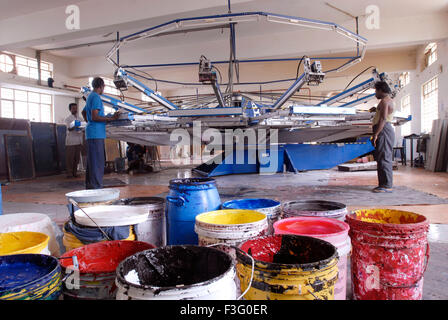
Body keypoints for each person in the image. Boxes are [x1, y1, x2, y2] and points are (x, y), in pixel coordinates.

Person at [82, 77, 119, 189]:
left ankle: (90, 185)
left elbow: (83, 112)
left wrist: (89, 123)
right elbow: (95, 116)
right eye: (104, 87)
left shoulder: (90, 97)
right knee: (97, 162)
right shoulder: (96, 97)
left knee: (92, 161)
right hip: (96, 134)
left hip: (92, 132)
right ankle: (96, 187)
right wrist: (111, 118)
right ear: (101, 86)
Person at [371, 81, 395, 193]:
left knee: (385, 157)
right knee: (381, 158)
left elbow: (383, 119)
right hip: (382, 130)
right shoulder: (384, 101)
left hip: (384, 130)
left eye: (376, 90)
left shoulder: (385, 101)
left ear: (381, 90)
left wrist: (376, 134)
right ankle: (383, 184)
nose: (375, 93)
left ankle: (387, 185)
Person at [64, 103, 83, 178]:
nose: (75, 110)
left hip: (78, 140)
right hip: (71, 141)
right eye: (73, 108)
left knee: (76, 158)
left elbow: (82, 127)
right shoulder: (68, 119)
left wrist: (82, 127)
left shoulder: (80, 118)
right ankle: (69, 173)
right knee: (70, 158)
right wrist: (75, 125)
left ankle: (75, 172)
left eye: (76, 108)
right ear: (70, 109)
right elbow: (69, 128)